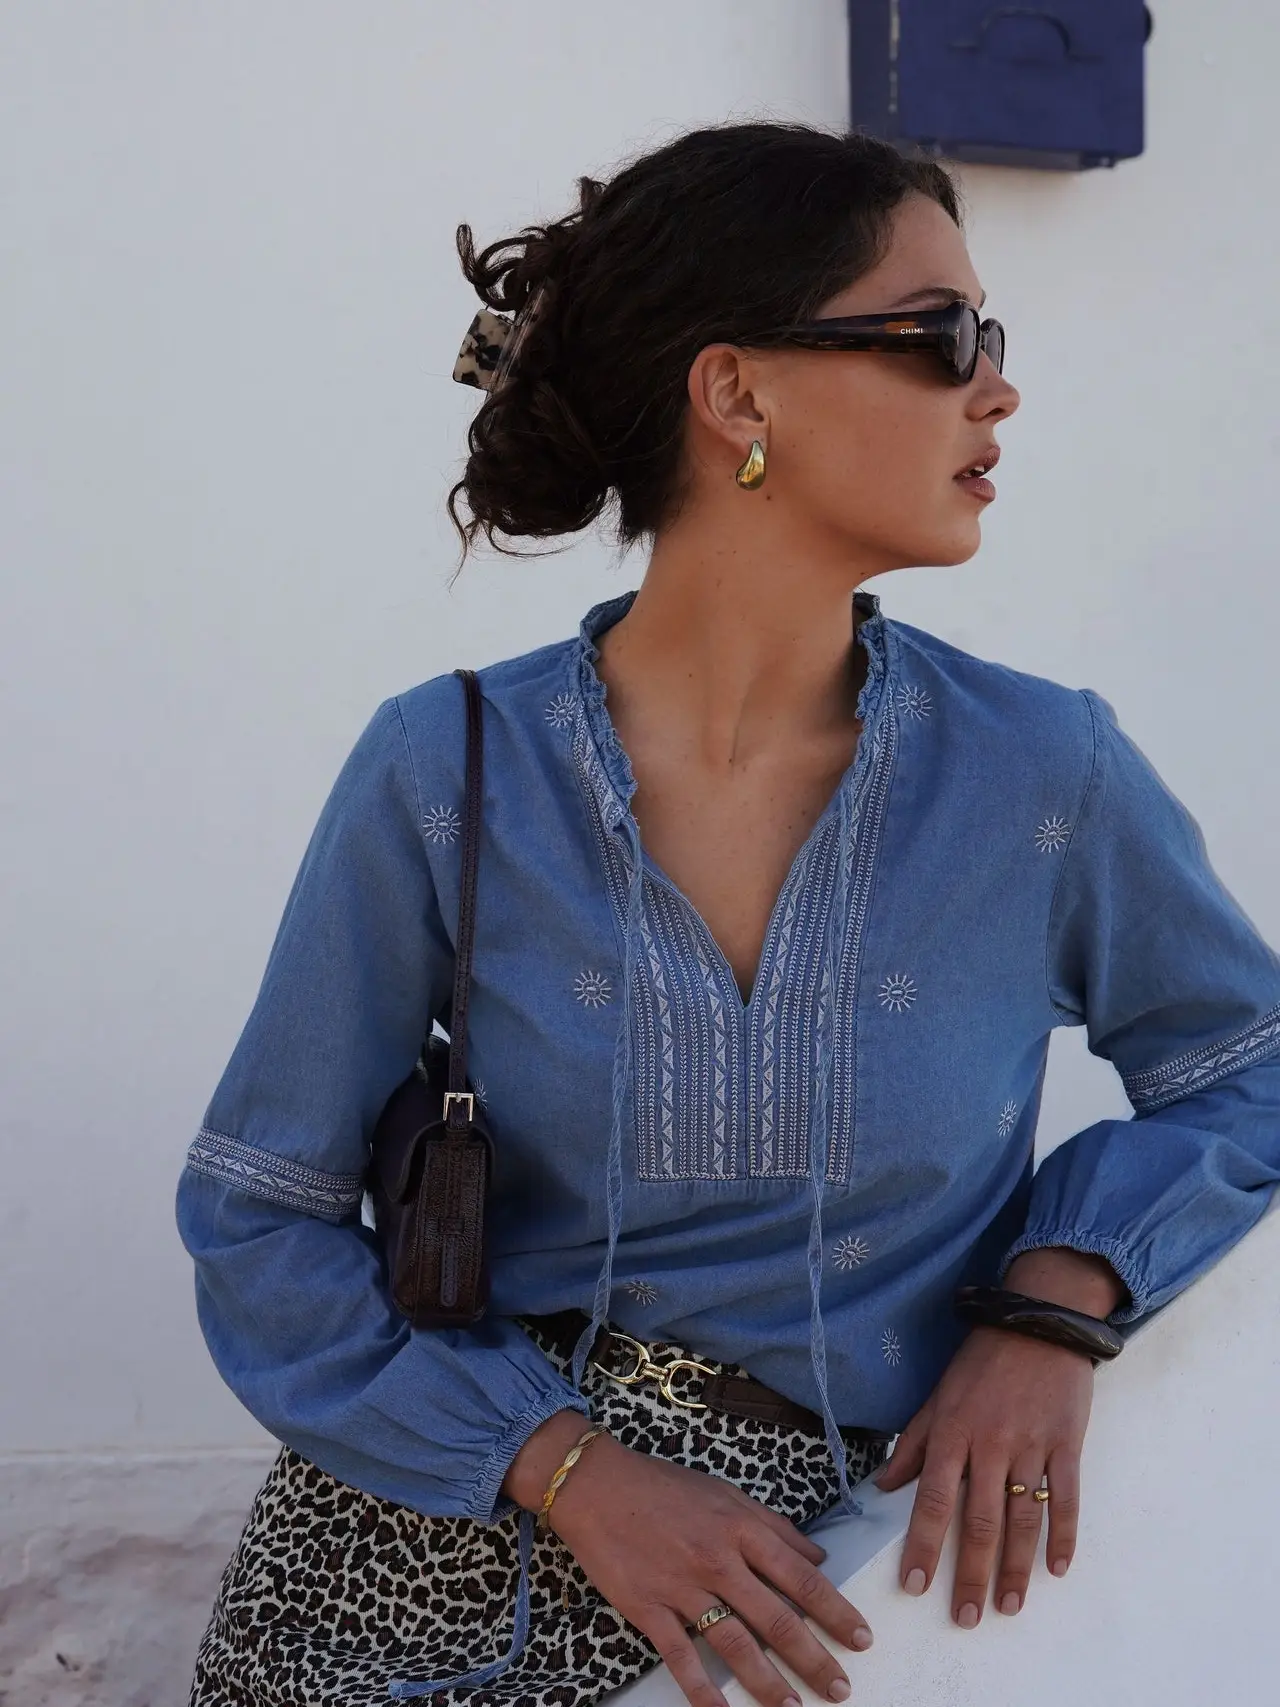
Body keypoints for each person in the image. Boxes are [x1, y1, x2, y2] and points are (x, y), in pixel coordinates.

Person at [177, 121, 1280, 1707]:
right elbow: (260, 1215)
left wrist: (1056, 1297)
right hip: (412, 1562)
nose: (997, 390)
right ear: (738, 393)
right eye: (941, 336)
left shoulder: (1044, 772)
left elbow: (1249, 1070)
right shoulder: (447, 770)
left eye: (995, 339)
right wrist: (568, 1467)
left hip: (823, 1608)